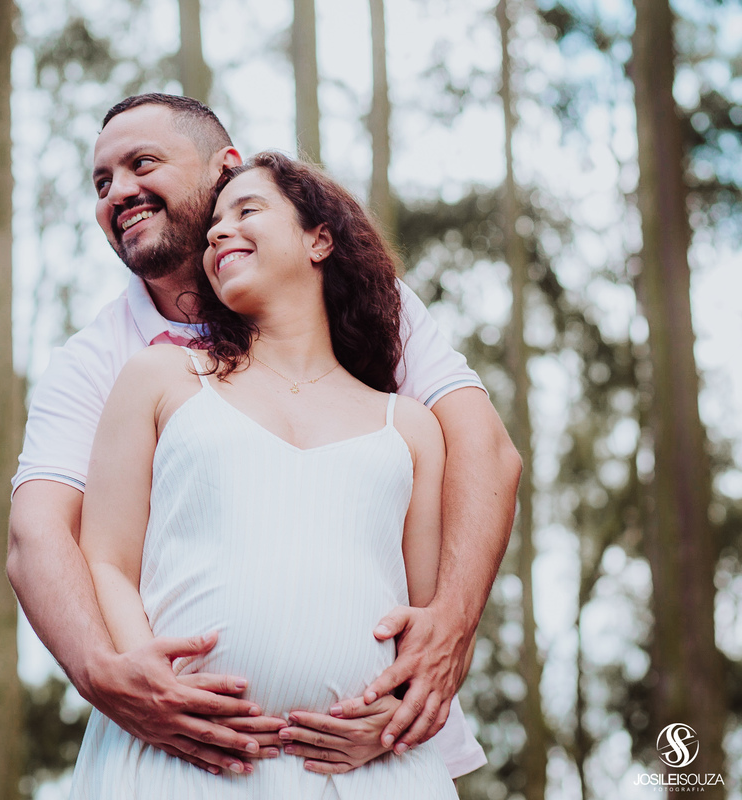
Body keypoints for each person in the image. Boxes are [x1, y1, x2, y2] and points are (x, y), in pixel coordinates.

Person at [7, 94, 520, 776]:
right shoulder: (107, 361)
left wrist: (450, 628)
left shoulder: (368, 308)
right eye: (102, 183)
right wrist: (112, 673)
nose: (118, 192)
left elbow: (485, 450)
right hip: (183, 765)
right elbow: (37, 536)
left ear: (225, 169)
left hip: (370, 760)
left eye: (142, 163)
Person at [70, 151, 465, 797]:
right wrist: (146, 677)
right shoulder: (160, 378)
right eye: (213, 227)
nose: (220, 232)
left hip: (371, 776)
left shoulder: (411, 427)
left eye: (246, 211)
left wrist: (396, 720)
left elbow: (428, 623)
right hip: (182, 767)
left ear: (319, 238)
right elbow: (105, 557)